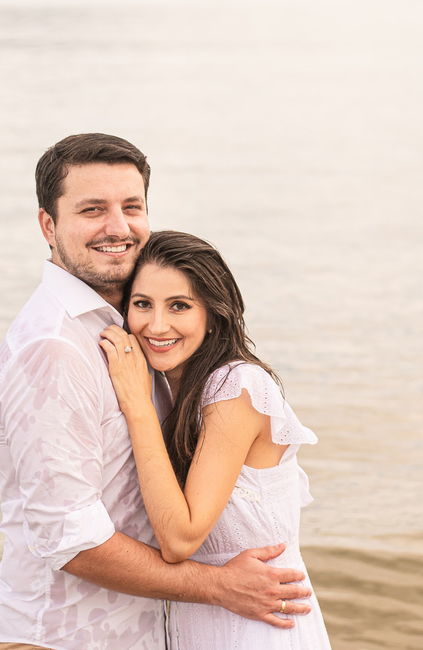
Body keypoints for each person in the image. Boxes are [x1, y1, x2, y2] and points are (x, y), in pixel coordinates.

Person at [0, 134, 313, 650]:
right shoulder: (53, 347)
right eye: (93, 209)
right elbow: (68, 539)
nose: (118, 227)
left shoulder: (137, 336)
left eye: (131, 207)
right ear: (49, 225)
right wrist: (218, 586)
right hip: (63, 637)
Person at [100, 230, 333, 649]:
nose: (157, 325)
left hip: (258, 627)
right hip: (207, 616)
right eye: (142, 304)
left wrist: (136, 407)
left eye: (179, 306)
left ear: (213, 314)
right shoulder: (175, 390)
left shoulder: (235, 386)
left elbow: (180, 539)